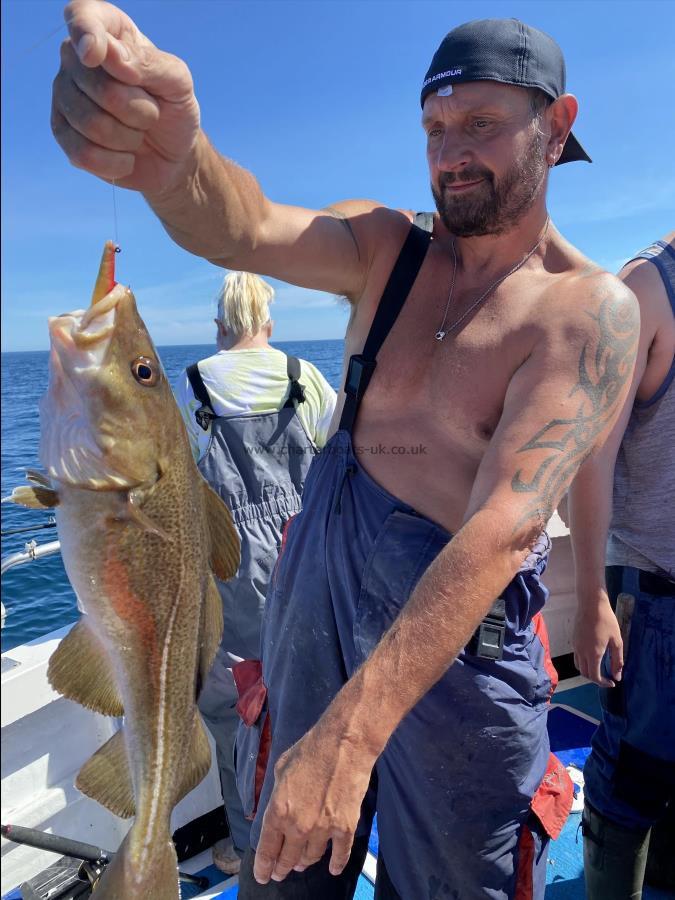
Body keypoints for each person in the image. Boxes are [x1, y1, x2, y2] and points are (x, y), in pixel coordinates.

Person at [52, 6, 640, 897]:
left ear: (556, 127)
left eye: (479, 124)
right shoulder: (383, 248)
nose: (449, 153)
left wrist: (351, 735)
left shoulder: (586, 313)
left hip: (460, 662)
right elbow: (244, 224)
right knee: (283, 872)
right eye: (435, 128)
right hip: (311, 619)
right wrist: (174, 164)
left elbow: (496, 529)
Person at [173, 270, 337, 874]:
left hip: (227, 584)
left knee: (231, 720)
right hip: (303, 580)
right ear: (268, 323)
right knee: (306, 708)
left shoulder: (193, 386)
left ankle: (248, 849)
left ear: (220, 326)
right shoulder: (305, 378)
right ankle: (310, 841)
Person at [570, 233, 675, 898]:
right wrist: (589, 599)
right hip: (650, 588)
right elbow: (590, 456)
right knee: (632, 769)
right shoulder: (643, 289)